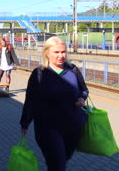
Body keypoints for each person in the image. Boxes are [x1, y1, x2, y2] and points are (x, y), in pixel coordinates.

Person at [20, 36, 89, 171]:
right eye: (56, 52)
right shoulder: (39, 73)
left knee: (61, 161)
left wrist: (82, 98)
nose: (61, 55)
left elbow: (84, 90)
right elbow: (30, 100)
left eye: (63, 52)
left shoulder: (73, 70)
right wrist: (25, 122)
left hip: (72, 125)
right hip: (47, 127)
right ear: (47, 53)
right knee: (58, 164)